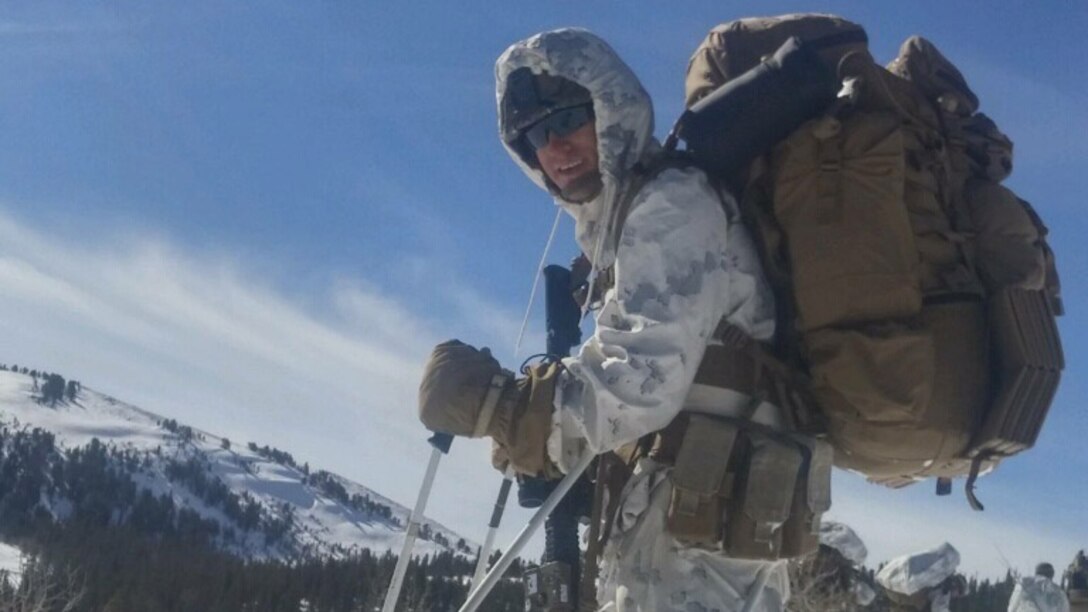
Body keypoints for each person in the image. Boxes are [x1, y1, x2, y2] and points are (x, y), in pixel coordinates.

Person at [418, 27, 795, 611]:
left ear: (609, 110)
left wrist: (504, 409)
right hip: (687, 526)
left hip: (706, 547)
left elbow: (643, 377)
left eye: (569, 119)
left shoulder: (672, 204)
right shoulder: (627, 225)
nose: (555, 148)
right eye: (535, 135)